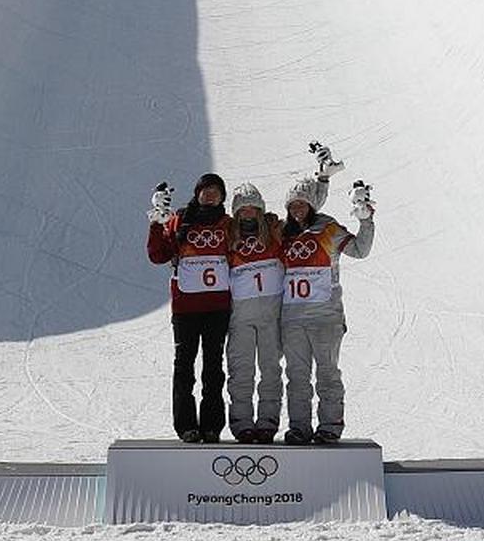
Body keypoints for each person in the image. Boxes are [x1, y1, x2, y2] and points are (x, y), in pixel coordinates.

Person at [279, 170, 375, 444]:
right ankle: (299, 427)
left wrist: (366, 220)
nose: (297, 209)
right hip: (293, 319)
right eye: (292, 205)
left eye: (302, 203)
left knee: (327, 373)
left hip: (325, 317)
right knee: (296, 376)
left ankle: (330, 426)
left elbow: (360, 250)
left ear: (311, 205)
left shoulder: (327, 228)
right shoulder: (282, 234)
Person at [146, 174, 233, 443]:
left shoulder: (228, 224)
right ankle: (186, 425)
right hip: (186, 307)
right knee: (184, 367)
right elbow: (158, 255)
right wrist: (157, 224)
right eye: (206, 191)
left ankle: (211, 425)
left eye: (216, 192)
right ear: (197, 193)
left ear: (222, 197)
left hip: (217, 306)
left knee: (213, 367)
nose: (210, 195)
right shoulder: (180, 220)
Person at [224, 183, 285, 443]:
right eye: (243, 209)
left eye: (253, 208)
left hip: (271, 314)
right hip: (241, 315)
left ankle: (268, 420)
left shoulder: (274, 231)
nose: (248, 213)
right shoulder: (227, 234)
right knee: (241, 370)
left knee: (271, 369)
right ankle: (241, 421)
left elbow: (303, 224)